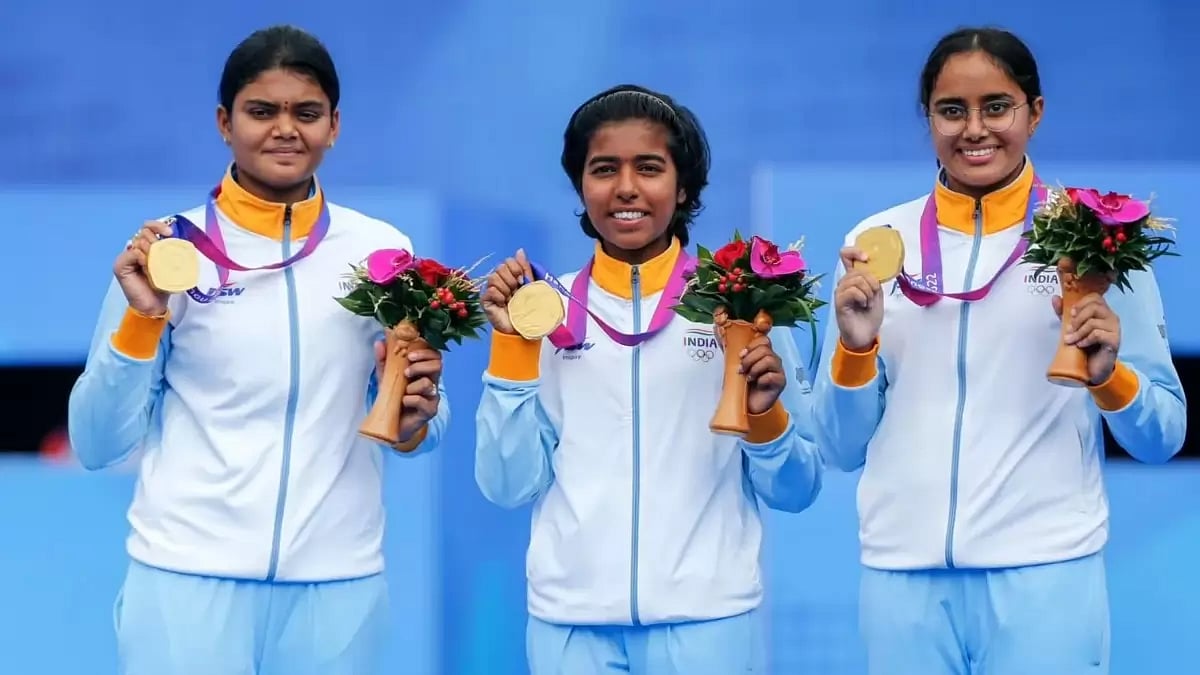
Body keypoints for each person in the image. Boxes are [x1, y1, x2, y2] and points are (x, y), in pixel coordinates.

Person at [67, 25, 448, 675]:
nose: (284, 129)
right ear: (224, 122)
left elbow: (427, 423)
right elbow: (96, 442)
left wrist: (417, 423)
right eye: (261, 110)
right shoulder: (168, 253)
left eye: (306, 113)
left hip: (338, 586)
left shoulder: (383, 253)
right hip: (186, 580)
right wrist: (142, 318)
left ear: (335, 126)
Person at [812, 26, 1187, 675]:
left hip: (1047, 575)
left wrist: (1108, 378)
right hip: (902, 579)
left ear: (1034, 112)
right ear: (927, 117)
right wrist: (855, 347)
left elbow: (1164, 433)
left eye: (997, 106)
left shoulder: (1095, 238)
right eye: (951, 110)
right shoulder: (875, 242)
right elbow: (839, 446)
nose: (974, 129)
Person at [473, 84, 825, 674]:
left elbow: (798, 488)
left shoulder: (741, 305)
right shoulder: (542, 312)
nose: (627, 188)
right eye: (604, 169)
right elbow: (507, 486)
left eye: (650, 168)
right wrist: (511, 347)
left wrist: (765, 418)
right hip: (570, 629)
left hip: (708, 625)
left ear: (683, 187)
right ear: (581, 189)